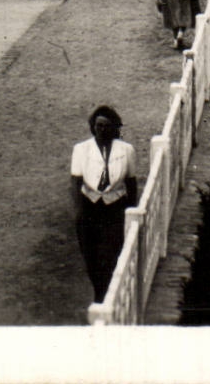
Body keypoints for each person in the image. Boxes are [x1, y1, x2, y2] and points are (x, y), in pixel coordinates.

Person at [70, 106, 138, 302]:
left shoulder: (126, 150)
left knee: (110, 253)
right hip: (89, 206)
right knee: (90, 254)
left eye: (107, 126)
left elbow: (131, 182)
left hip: (115, 206)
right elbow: (76, 181)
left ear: (115, 128)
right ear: (93, 127)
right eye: (98, 125)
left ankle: (107, 294)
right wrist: (78, 210)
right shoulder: (82, 149)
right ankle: (99, 292)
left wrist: (131, 210)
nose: (102, 130)